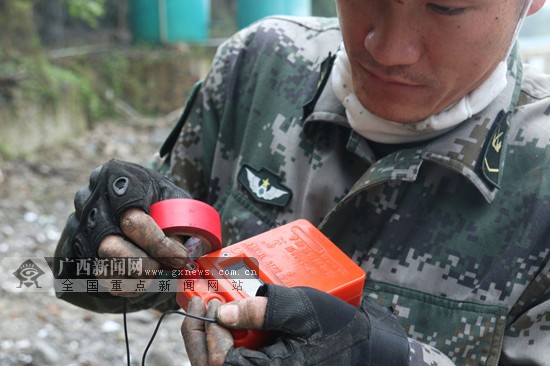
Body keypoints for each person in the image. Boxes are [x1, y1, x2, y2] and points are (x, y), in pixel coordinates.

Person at [54, 0, 550, 364]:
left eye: (445, 6)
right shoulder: (258, 69)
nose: (387, 48)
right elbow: (137, 279)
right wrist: (96, 250)